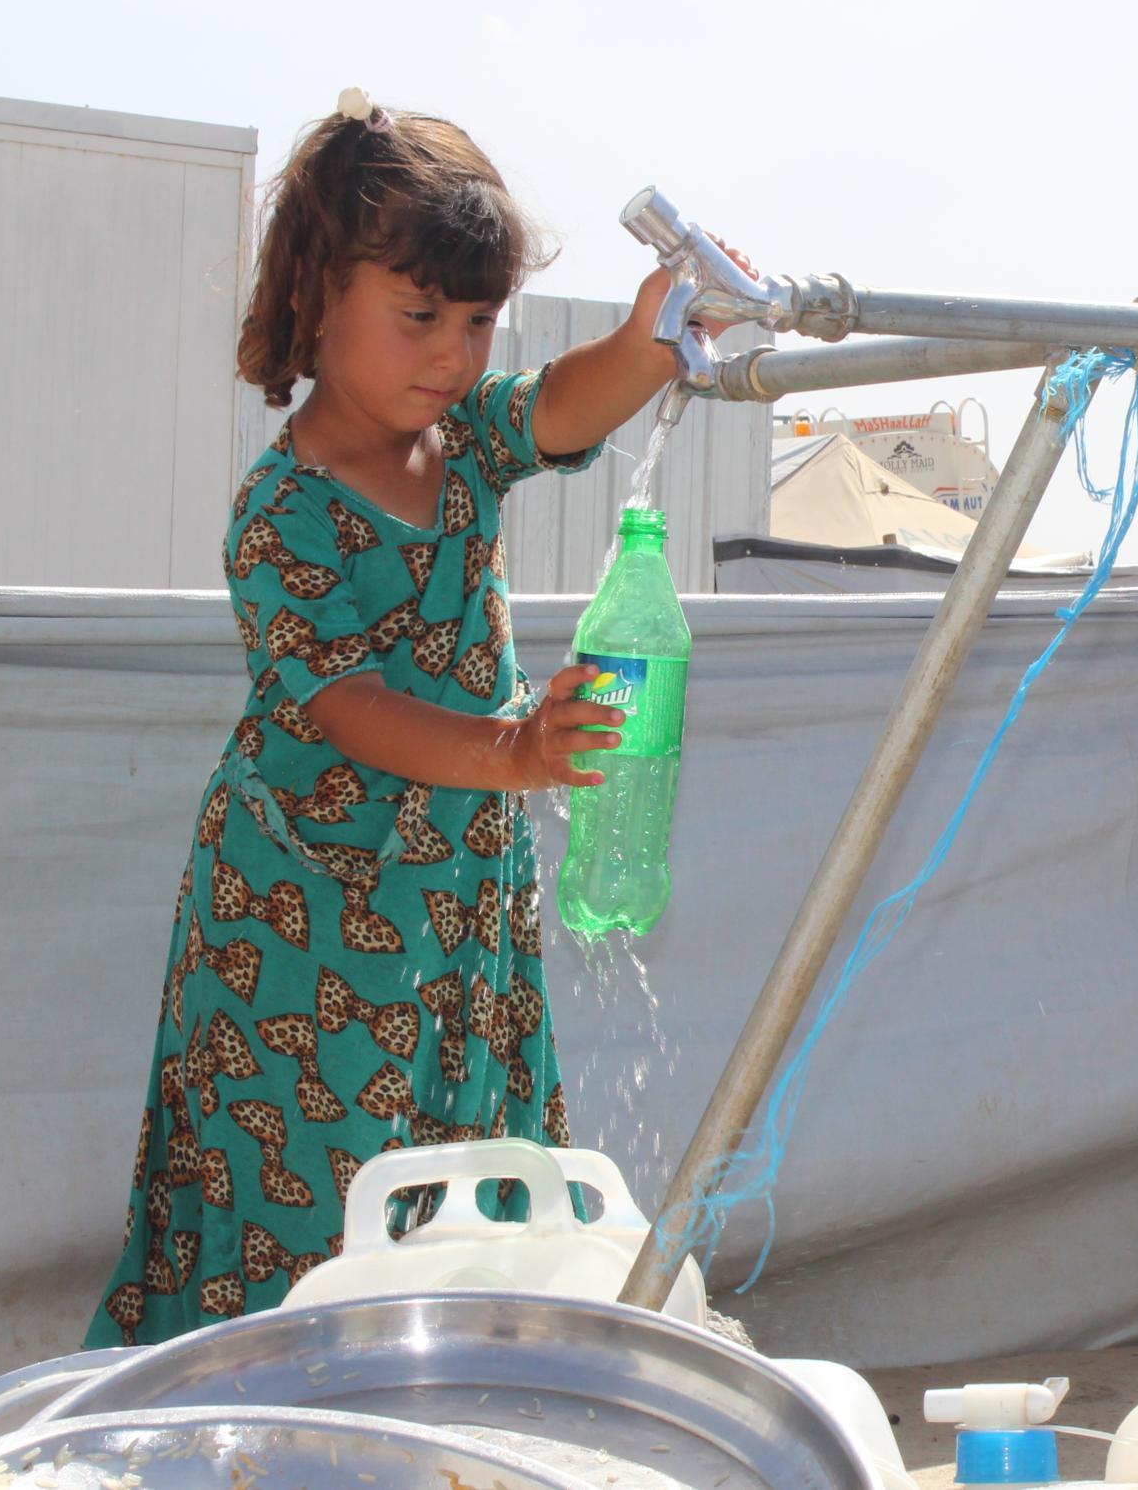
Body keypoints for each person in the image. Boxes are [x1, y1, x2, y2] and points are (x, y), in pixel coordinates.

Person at [89, 90, 723, 1343]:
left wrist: (652, 340)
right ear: (317, 295)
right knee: (312, 1206)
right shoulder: (284, 512)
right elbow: (347, 709)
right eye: (419, 313)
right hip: (303, 928)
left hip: (453, 906)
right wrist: (514, 749)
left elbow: (562, 403)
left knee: (469, 1196)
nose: (452, 351)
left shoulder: (463, 446)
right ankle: (268, 1422)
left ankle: (438, 1407)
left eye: (478, 320)